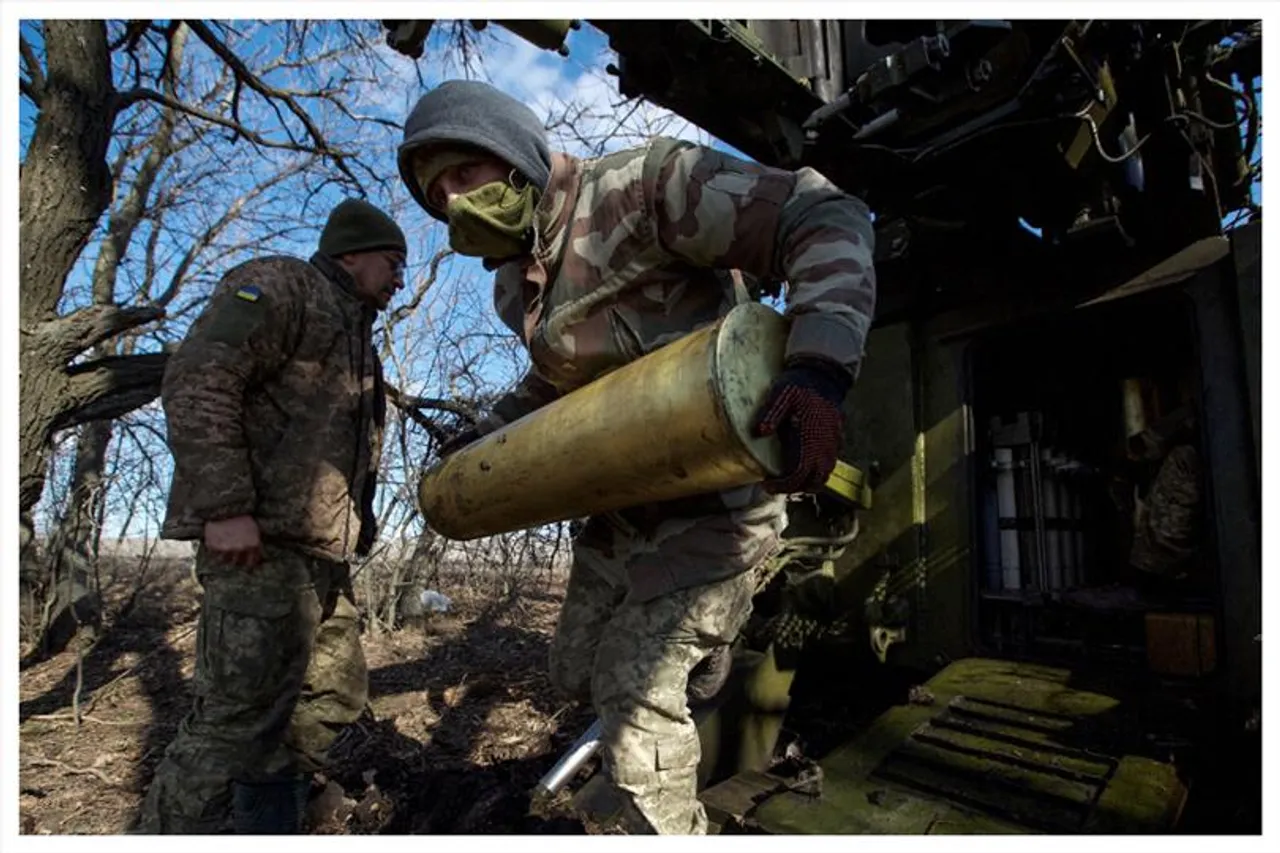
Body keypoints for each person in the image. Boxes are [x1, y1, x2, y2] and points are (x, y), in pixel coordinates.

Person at [397, 79, 876, 834]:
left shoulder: (641, 187)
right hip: (625, 510)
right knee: (573, 668)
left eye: (463, 175)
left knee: (634, 692)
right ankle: (711, 658)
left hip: (720, 500)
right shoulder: (511, 287)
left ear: (510, 154)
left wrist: (819, 367)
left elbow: (822, 214)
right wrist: (485, 433)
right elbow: (556, 384)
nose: (454, 203)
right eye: (437, 194)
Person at [136, 199, 407, 834]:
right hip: (259, 551)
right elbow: (199, 380)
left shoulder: (357, 332)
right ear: (351, 253)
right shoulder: (283, 286)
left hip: (319, 561)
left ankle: (262, 824)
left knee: (331, 699)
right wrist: (226, 507)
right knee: (235, 724)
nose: (400, 279)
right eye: (393, 263)